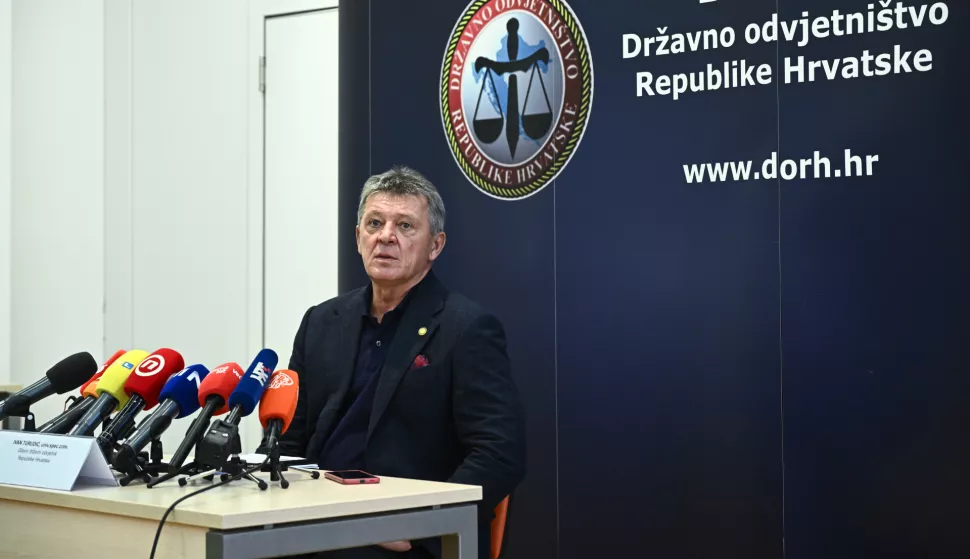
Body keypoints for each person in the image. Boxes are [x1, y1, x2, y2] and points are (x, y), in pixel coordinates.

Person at [271, 166, 527, 559]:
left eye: (405, 226)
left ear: (435, 245)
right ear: (358, 237)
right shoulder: (321, 321)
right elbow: (289, 438)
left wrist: (422, 524)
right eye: (375, 223)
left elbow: (499, 452)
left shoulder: (466, 328)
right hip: (317, 517)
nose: (386, 236)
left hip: (401, 536)